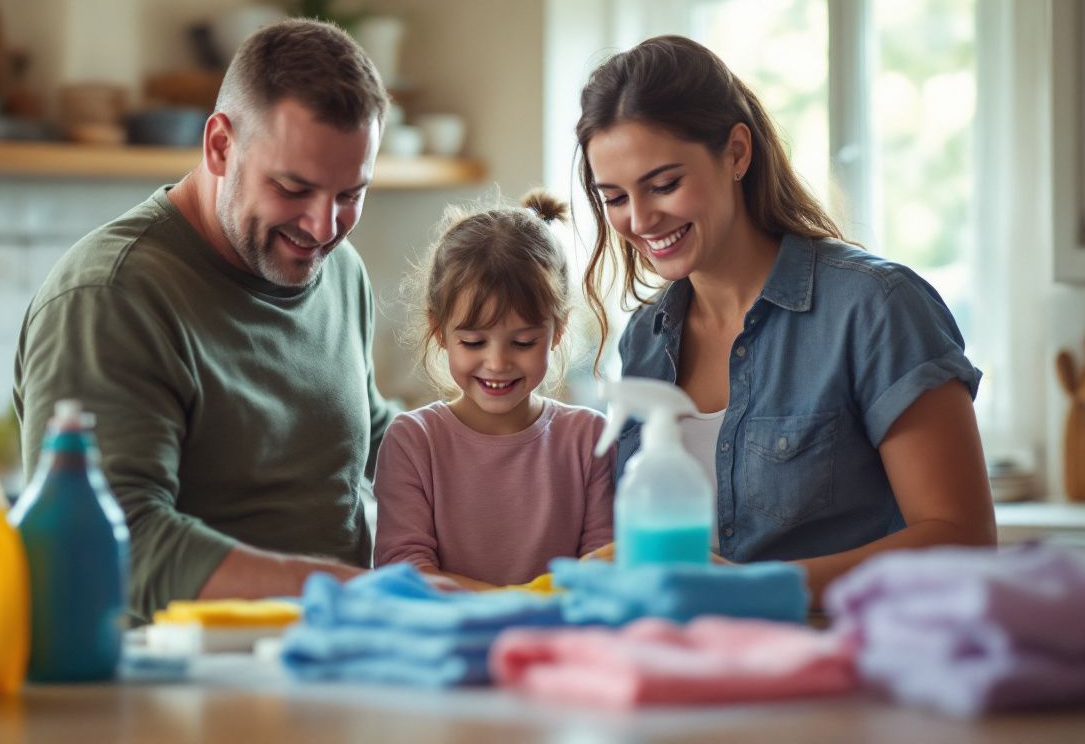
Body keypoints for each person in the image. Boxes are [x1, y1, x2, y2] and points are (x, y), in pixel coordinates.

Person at [573, 35, 995, 601]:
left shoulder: (876, 308)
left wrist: (754, 588)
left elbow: (961, 541)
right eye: (615, 197)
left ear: (737, 153)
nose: (641, 219)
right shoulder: (646, 341)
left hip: (848, 670)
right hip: (686, 667)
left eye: (664, 184)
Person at [13, 19, 400, 621]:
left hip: (332, 675)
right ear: (220, 145)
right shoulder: (110, 297)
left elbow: (371, 440)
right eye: (293, 187)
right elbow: (119, 542)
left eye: (351, 194)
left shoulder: (339, 268)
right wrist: (353, 595)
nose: (324, 227)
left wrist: (528, 453)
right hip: (170, 697)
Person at [373, 191, 615, 590]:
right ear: (440, 331)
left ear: (559, 330)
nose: (498, 363)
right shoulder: (413, 441)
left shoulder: (589, 439)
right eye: (473, 342)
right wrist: (517, 604)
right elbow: (406, 576)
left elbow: (603, 569)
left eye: (522, 343)